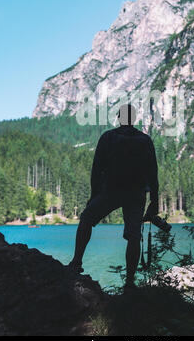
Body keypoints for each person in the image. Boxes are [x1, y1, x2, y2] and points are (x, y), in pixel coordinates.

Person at [68, 103, 159, 290]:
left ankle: (77, 262)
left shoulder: (109, 137)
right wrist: (154, 201)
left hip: (112, 191)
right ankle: (130, 282)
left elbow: (96, 169)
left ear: (118, 118)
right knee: (134, 236)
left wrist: (93, 195)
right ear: (134, 119)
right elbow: (153, 172)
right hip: (137, 193)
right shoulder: (145, 140)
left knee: (86, 219)